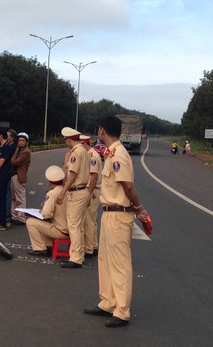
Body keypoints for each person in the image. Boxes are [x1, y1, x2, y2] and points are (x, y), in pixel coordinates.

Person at [83, 116, 151, 328]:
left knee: (120, 264)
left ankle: (122, 310)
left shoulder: (119, 154)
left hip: (120, 215)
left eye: (98, 130)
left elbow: (127, 186)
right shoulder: (112, 153)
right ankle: (108, 302)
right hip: (109, 213)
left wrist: (139, 208)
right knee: (104, 260)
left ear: (102, 130)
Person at [56, 127, 91, 269]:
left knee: (73, 225)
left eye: (65, 140)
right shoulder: (84, 151)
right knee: (79, 225)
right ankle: (79, 255)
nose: (65, 142)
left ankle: (75, 258)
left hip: (76, 192)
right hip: (83, 191)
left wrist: (63, 191)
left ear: (69, 139)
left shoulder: (76, 153)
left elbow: (72, 174)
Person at [25, 165, 69, 256]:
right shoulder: (66, 191)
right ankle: (48, 245)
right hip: (69, 228)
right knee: (44, 223)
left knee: (30, 222)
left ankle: (40, 248)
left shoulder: (52, 193)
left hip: (60, 230)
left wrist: (41, 210)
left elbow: (46, 214)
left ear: (50, 182)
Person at [80, 134, 102, 258]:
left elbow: (93, 177)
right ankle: (93, 245)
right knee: (91, 220)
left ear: (84, 144)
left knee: (88, 220)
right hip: (93, 190)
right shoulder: (91, 154)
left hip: (92, 190)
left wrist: (88, 193)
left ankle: (88, 248)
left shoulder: (92, 156)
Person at [10, 132, 31, 224]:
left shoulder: (26, 152)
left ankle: (21, 218)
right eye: (19, 140)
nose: (21, 142)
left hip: (19, 176)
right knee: (14, 197)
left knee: (20, 198)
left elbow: (14, 162)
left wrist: (16, 150)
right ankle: (15, 216)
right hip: (14, 175)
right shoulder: (20, 150)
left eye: (23, 140)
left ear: (26, 142)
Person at [5, 129, 17, 223]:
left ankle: (9, 210)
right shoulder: (9, 145)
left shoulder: (12, 147)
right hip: (9, 171)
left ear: (12, 138)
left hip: (9, 171)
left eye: (8, 136)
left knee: (9, 192)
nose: (7, 137)